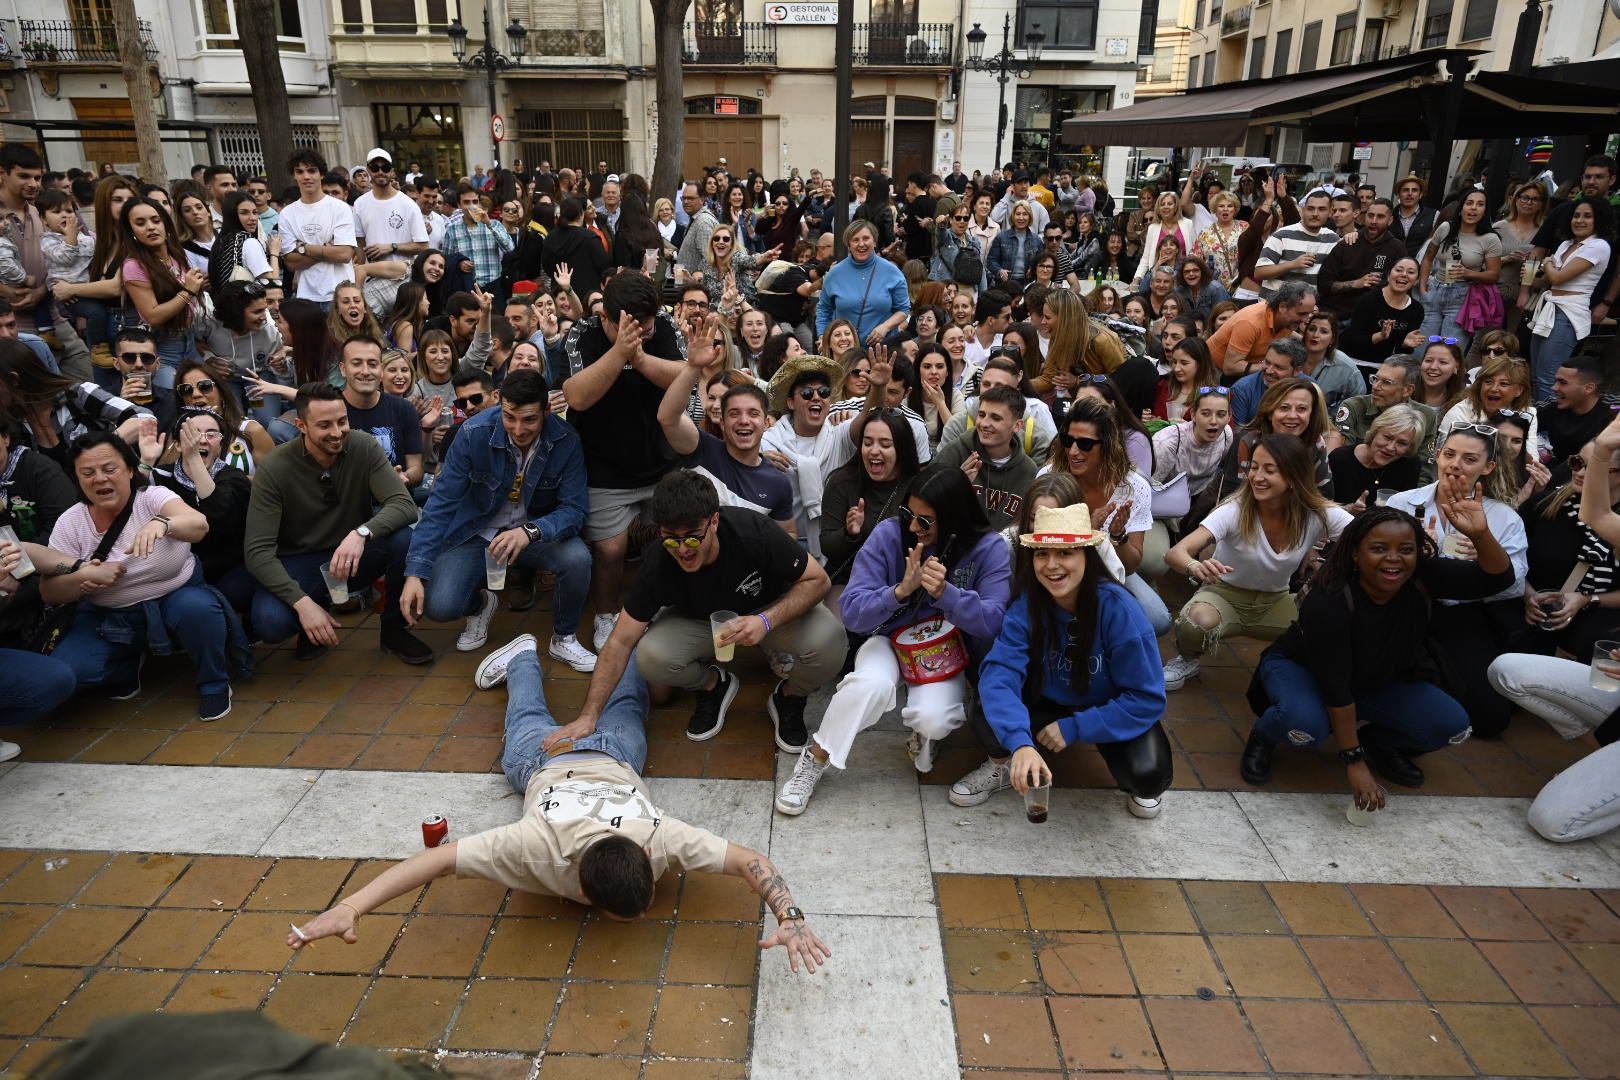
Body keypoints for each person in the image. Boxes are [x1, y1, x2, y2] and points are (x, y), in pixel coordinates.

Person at [286, 633, 829, 972]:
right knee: (539, 714)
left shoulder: (655, 837)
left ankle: (553, 654)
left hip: (596, 759)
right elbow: (751, 861)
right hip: (563, 761)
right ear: (580, 888)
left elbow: (437, 862)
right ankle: (536, 655)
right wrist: (350, 906)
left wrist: (793, 915)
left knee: (597, 704)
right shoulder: (535, 848)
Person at [777, 468, 1011, 812]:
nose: (913, 527)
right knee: (869, 685)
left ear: (954, 518)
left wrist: (948, 594)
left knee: (934, 718)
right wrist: (900, 591)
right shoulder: (889, 535)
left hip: (942, 651)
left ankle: (924, 733)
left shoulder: (988, 548)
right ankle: (815, 758)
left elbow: (993, 622)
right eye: (907, 514)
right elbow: (852, 613)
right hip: (887, 639)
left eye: (925, 521)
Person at [1241, 499, 1513, 793]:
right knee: (1305, 725)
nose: (1394, 558)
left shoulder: (1423, 575)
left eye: (1406, 550)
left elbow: (1499, 578)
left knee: (1451, 726)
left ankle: (1380, 743)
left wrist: (1481, 534)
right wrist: (1353, 761)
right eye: (1379, 548)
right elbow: (1335, 686)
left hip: (1378, 676)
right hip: (1306, 670)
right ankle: (1264, 736)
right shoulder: (1328, 601)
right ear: (1356, 554)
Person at [585, 469, 847, 751]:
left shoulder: (754, 532)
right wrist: (589, 716)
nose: (683, 549)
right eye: (671, 538)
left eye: (693, 537)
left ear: (714, 521)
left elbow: (819, 580)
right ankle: (712, 684)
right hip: (701, 622)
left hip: (768, 611)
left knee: (831, 642)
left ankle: (790, 696)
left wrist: (766, 621)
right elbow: (619, 642)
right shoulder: (658, 561)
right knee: (651, 659)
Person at [951, 502, 1172, 817]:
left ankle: (1125, 765)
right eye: (1042, 553)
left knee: (1149, 774)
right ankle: (1006, 762)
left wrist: (1076, 728)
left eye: (1065, 553)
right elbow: (999, 676)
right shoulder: (1028, 606)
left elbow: (1148, 698)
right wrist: (1020, 743)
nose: (1051, 565)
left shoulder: (1120, 610)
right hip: (1046, 699)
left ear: (1087, 555)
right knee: (987, 709)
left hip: (1105, 703)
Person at [400, 368, 594, 668]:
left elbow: (575, 509)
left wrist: (531, 531)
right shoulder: (472, 433)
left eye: (529, 419)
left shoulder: (566, 439)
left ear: (546, 410)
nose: (518, 429)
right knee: (439, 605)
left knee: (578, 558)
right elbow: (441, 504)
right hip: (477, 533)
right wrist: (415, 571)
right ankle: (480, 605)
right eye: (509, 417)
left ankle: (564, 638)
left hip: (533, 534)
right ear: (500, 404)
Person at [45, 430, 238, 720]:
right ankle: (125, 663)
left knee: (197, 609)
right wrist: (80, 579)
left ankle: (214, 683)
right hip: (109, 614)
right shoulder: (70, 522)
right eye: (87, 472)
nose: (99, 478)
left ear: (130, 470)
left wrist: (162, 524)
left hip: (174, 594)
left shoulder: (152, 497)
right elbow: (49, 591)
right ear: (76, 478)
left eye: (109, 469)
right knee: (72, 672)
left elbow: (198, 524)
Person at [243, 382, 430, 663]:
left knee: (402, 538)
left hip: (352, 554)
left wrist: (362, 532)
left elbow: (404, 505)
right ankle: (312, 619)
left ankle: (394, 630)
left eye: (342, 421)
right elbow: (257, 552)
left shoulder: (362, 445)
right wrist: (303, 604)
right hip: (300, 562)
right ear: (301, 425)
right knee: (270, 622)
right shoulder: (275, 467)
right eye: (324, 425)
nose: (336, 432)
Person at [1162, 434, 1354, 691]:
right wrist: (1195, 566)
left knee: (1325, 623)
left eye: (1269, 470)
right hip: (1223, 596)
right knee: (1197, 622)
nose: (1257, 476)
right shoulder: (1236, 509)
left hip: (1275, 601)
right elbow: (1176, 552)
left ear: (1294, 476)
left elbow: (1368, 536)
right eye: (1254, 467)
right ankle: (1187, 658)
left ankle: (1300, 672)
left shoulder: (1316, 513)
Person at [561, 272, 686, 651]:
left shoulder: (662, 324)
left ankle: (667, 610)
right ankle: (606, 616)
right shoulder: (582, 333)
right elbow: (577, 397)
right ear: (606, 318)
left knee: (672, 540)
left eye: (646, 328)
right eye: (632, 328)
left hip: (659, 460)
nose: (643, 333)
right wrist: (618, 353)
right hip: (603, 467)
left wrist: (640, 355)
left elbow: (685, 377)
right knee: (610, 551)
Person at [1387, 423, 1528, 738]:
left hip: (1463, 614)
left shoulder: (1504, 518)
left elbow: (1515, 585)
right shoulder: (1404, 504)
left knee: (1490, 718)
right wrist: (1417, 553)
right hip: (1404, 606)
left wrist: (1483, 554)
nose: (1455, 465)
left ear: (1488, 466)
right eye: (1449, 454)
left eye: (1469, 458)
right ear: (1436, 455)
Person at [1044, 396, 1170, 635]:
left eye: (1085, 444)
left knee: (1158, 620)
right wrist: (1085, 534)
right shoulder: (1050, 478)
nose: (1073, 451)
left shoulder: (1133, 487)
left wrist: (1118, 535)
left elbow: (1130, 566)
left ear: (1109, 445)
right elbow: (1039, 548)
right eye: (1067, 440)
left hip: (1109, 570)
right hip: (1058, 567)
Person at [657, 320, 794, 527]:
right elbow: (667, 417)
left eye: (753, 413)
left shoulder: (778, 482)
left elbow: (788, 536)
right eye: (734, 413)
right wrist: (693, 368)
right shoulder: (703, 448)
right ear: (722, 421)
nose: (744, 420)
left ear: (767, 422)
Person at [1499, 442, 1620, 660]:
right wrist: (1529, 595)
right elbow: (1505, 555)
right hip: (1524, 615)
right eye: (1576, 462)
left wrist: (1586, 599)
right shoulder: (1545, 505)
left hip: (1592, 631)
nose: (1580, 472)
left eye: (1594, 468)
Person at [149, 406, 255, 610]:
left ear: (221, 443)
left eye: (211, 434)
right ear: (178, 445)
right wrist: (145, 461)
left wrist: (194, 459)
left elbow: (221, 519)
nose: (203, 439)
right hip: (174, 570)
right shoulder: (160, 477)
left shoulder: (234, 478)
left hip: (228, 569)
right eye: (193, 434)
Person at [0, 339, 149, 469]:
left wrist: (99, 450)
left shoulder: (77, 395)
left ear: (14, 380)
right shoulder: (9, 424)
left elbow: (144, 417)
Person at [759, 353, 852, 555]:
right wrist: (756, 462)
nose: (817, 397)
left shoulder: (839, 432)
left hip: (835, 542)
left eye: (824, 392)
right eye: (808, 393)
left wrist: (878, 387)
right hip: (786, 544)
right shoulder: (769, 443)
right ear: (791, 402)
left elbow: (869, 423)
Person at [1525, 196, 1612, 399]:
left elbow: (1557, 276)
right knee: (1537, 376)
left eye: (1587, 216)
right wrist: (1531, 275)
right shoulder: (1565, 244)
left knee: (1550, 377)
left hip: (1568, 314)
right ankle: (1538, 422)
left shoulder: (1598, 246)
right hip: (1548, 308)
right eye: (1576, 216)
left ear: (1598, 220)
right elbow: (1543, 281)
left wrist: (1547, 264)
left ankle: (1546, 429)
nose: (1579, 220)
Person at [931, 385, 1037, 532]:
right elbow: (923, 502)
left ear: (1017, 425)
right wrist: (955, 486)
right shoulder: (955, 452)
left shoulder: (1028, 470)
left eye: (996, 418)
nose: (984, 423)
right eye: (981, 415)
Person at [1416, 188, 1504, 350]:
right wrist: (1423, 286)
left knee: (1449, 350)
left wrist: (1468, 273)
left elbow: (1494, 275)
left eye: (1480, 204)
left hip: (1462, 296)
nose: (1473, 208)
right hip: (1435, 289)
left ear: (1485, 211)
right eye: (1469, 203)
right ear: (1461, 207)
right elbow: (1428, 257)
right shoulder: (1445, 228)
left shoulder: (1490, 239)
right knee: (1421, 347)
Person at [337, 335, 424, 489]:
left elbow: (416, 469)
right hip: (348, 504)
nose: (365, 371)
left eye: (372, 364)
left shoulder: (403, 409)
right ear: (343, 369)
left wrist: (402, 477)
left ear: (381, 370)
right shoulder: (331, 409)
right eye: (357, 364)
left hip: (393, 501)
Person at [1333, 355, 1439, 480]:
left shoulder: (1426, 416)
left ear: (1407, 390)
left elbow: (1423, 473)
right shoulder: (1354, 407)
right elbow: (1343, 458)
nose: (1376, 387)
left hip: (1398, 488)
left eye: (1386, 382)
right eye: (1375, 379)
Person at [278, 149, 357, 307]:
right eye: (300, 172)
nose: (306, 177)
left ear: (321, 174)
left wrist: (303, 247)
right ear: (294, 175)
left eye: (312, 171)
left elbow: (344, 254)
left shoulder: (340, 208)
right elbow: (291, 263)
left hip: (341, 295)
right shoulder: (287, 214)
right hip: (306, 297)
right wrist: (327, 248)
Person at [816, 220, 909, 347]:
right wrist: (823, 337)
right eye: (855, 240)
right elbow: (824, 309)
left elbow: (903, 309)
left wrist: (885, 327)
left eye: (866, 238)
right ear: (848, 244)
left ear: (875, 241)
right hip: (845, 350)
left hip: (883, 348)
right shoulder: (835, 273)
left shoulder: (892, 272)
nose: (861, 244)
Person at [1315, 197, 1408, 321]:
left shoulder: (1397, 248)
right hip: (1337, 314)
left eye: (1380, 217)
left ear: (1390, 220)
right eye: (1370, 215)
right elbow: (1324, 284)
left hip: (1373, 318)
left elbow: (1403, 286)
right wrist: (1355, 283)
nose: (1374, 221)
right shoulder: (1347, 243)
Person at [1208, 281, 1318, 378]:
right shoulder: (1250, 323)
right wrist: (1275, 367)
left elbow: (1286, 332)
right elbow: (1230, 367)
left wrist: (1307, 341)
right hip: (1212, 372)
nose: (1305, 319)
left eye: (1309, 313)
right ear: (1282, 307)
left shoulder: (1284, 319)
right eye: (1302, 314)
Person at [1327, 403, 1425, 508]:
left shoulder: (1409, 464)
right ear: (1375, 432)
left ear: (1410, 447)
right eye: (1387, 437)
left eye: (1402, 443)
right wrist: (1347, 510)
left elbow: (1407, 509)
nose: (1390, 447)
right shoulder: (1340, 459)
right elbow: (1320, 507)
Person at [1340, 256, 1427, 368]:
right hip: (1355, 362)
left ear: (1417, 281)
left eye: (1410, 272)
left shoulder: (1416, 309)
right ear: (1388, 275)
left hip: (1388, 368)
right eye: (1399, 270)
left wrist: (1404, 344)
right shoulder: (1368, 300)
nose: (1404, 274)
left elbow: (1404, 353)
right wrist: (1380, 336)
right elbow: (1352, 340)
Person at [1441, 354, 1539, 450]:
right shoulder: (1460, 412)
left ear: (1519, 390)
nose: (1494, 389)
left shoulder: (1528, 414)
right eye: (1488, 382)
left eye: (1504, 384)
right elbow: (1447, 457)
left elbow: (1532, 462)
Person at [1254, 189, 1337, 298]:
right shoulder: (1282, 235)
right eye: (1310, 209)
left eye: (1322, 209)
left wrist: (1352, 234)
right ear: (1303, 210)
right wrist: (1292, 264)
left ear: (1330, 212)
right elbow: (1259, 272)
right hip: (1275, 306)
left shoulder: (1332, 239)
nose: (1315, 214)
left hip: (1306, 309)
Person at [1537, 354, 1617, 466]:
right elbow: (1518, 420)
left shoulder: (1613, 410)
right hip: (1561, 473)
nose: (1554, 388)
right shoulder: (1552, 405)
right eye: (1556, 381)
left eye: (1563, 383)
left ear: (1588, 388)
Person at [1230, 338, 1313, 428]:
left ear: (1297, 371)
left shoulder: (1310, 388)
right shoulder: (1242, 390)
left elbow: (1320, 428)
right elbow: (1237, 434)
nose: (1269, 371)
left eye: (1278, 367)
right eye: (1267, 362)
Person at [1390, 174, 1437, 257]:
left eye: (1414, 190)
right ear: (1399, 194)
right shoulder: (1390, 215)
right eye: (1405, 190)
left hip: (1419, 266)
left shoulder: (1433, 215)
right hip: (1393, 265)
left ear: (1420, 195)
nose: (1410, 193)